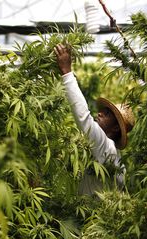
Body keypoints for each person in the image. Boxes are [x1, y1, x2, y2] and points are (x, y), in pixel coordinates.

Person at [54, 43, 135, 195]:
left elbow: (83, 117)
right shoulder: (109, 154)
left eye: (107, 114)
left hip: (90, 217)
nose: (99, 114)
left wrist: (66, 71)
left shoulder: (106, 148)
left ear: (116, 127)